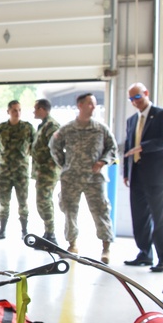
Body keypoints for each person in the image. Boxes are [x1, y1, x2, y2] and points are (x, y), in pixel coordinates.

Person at [49, 92, 118, 263]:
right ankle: (72, 244)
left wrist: (102, 161)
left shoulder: (100, 128)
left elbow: (112, 148)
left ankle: (106, 248)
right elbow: (54, 145)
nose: (93, 107)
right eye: (90, 104)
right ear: (80, 105)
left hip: (94, 179)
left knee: (101, 212)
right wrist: (64, 164)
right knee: (69, 212)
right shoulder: (68, 128)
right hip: (71, 178)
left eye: (94, 104)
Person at [123, 82, 163, 272]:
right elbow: (128, 147)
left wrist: (144, 146)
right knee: (140, 217)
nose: (134, 102)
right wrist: (126, 173)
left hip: (157, 175)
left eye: (137, 97)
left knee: (159, 217)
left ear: (146, 93)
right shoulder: (131, 120)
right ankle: (144, 253)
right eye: (131, 99)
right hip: (136, 174)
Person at [0, 100, 35, 240]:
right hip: (4, 172)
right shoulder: (2, 128)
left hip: (21, 172)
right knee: (3, 202)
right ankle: (2, 230)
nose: (17, 113)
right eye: (14, 110)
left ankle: (24, 231)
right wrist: (5, 157)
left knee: (23, 202)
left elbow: (34, 147)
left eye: (19, 110)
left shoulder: (27, 127)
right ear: (8, 111)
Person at [32, 99, 61, 243]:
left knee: (44, 201)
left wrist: (48, 165)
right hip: (42, 170)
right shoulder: (43, 125)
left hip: (48, 170)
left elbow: (56, 148)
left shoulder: (51, 126)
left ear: (42, 109)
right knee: (42, 201)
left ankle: (51, 235)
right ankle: (48, 233)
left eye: (35, 108)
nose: (34, 111)